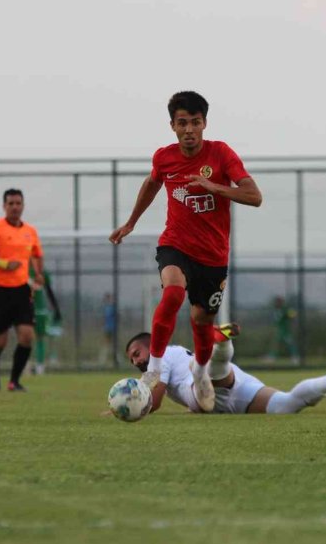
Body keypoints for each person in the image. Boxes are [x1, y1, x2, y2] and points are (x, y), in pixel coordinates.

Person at [109, 91, 262, 412]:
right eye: (182, 123)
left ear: (204, 123)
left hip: (213, 257)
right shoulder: (164, 158)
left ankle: (203, 373)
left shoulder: (221, 154)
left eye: (195, 122)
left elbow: (254, 196)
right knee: (173, 293)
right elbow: (152, 183)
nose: (189, 129)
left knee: (201, 322)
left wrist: (215, 187)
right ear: (172, 126)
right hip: (175, 245)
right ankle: (152, 370)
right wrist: (131, 222)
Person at [125, 323, 326, 414]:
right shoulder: (174, 353)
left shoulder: (160, 355)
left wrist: (128, 409)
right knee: (285, 406)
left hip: (202, 389)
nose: (136, 362)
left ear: (153, 344)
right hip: (233, 383)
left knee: (206, 383)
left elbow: (152, 402)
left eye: (137, 354)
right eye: (131, 360)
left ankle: (206, 363)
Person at [0, 189, 44, 392]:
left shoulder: (30, 231)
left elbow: (37, 254)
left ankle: (14, 381)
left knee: (26, 335)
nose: (15, 207)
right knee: (0, 340)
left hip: (21, 288)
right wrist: (3, 263)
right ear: (4, 206)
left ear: (23, 206)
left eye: (18, 203)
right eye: (11, 203)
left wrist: (38, 273)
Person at [31, 266, 61, 375]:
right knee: (27, 339)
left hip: (38, 311)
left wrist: (56, 308)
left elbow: (49, 291)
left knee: (38, 339)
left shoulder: (42, 272)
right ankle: (27, 368)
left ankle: (39, 368)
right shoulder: (20, 270)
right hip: (26, 310)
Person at [269, 295, 299, 363]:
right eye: (276, 302)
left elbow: (293, 315)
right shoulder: (276, 309)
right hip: (280, 330)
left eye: (278, 302)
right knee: (276, 344)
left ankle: (295, 357)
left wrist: (293, 321)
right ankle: (272, 356)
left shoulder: (285, 309)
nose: (276, 303)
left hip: (286, 330)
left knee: (290, 344)